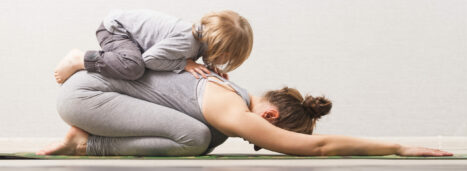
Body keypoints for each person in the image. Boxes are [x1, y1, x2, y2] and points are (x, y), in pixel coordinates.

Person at [37, 70, 453, 157]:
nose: (255, 143)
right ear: (269, 118)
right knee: (197, 138)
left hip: (95, 92)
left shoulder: (229, 90)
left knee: (206, 138)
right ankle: (86, 142)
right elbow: (320, 147)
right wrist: (397, 146)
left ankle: (85, 139)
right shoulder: (232, 107)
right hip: (88, 97)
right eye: (261, 140)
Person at [53, 9, 253, 84]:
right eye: (227, 57)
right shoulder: (188, 43)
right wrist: (184, 64)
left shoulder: (199, 41)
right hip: (115, 28)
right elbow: (150, 59)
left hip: (126, 30)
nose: (225, 62)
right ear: (221, 49)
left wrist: (209, 66)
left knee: (134, 63)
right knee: (134, 67)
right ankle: (80, 59)